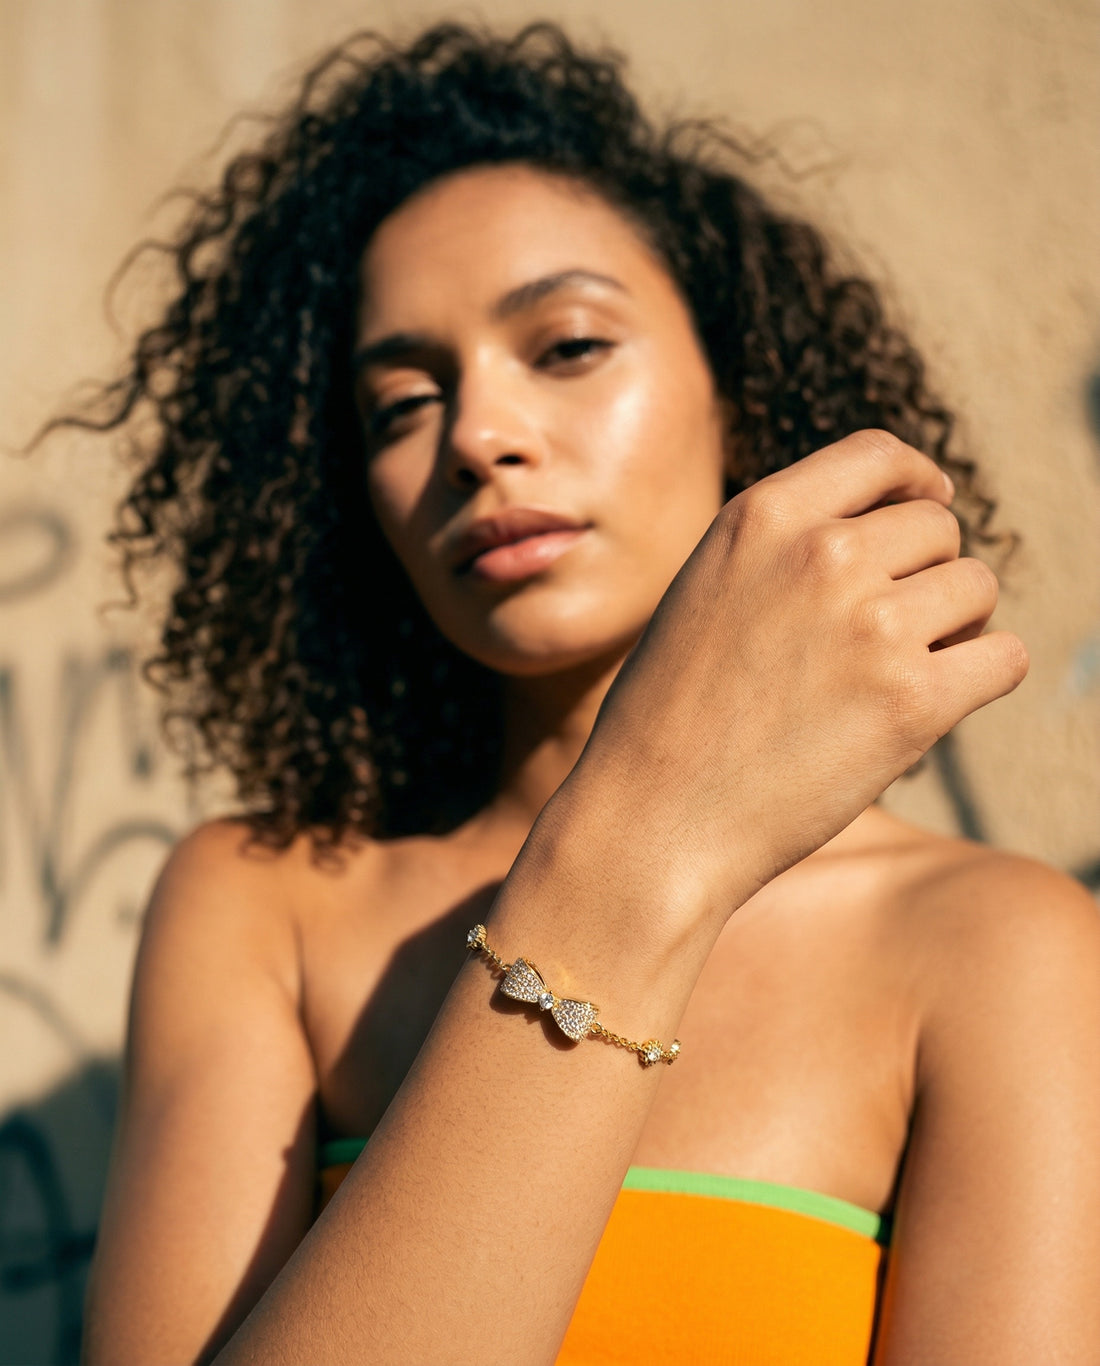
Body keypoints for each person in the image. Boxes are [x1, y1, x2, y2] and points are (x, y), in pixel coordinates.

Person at [73, 20, 1100, 1366]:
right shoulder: (266, 904)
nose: (478, 437)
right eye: (399, 401)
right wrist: (635, 846)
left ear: (737, 394)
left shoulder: (1001, 945)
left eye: (564, 346)